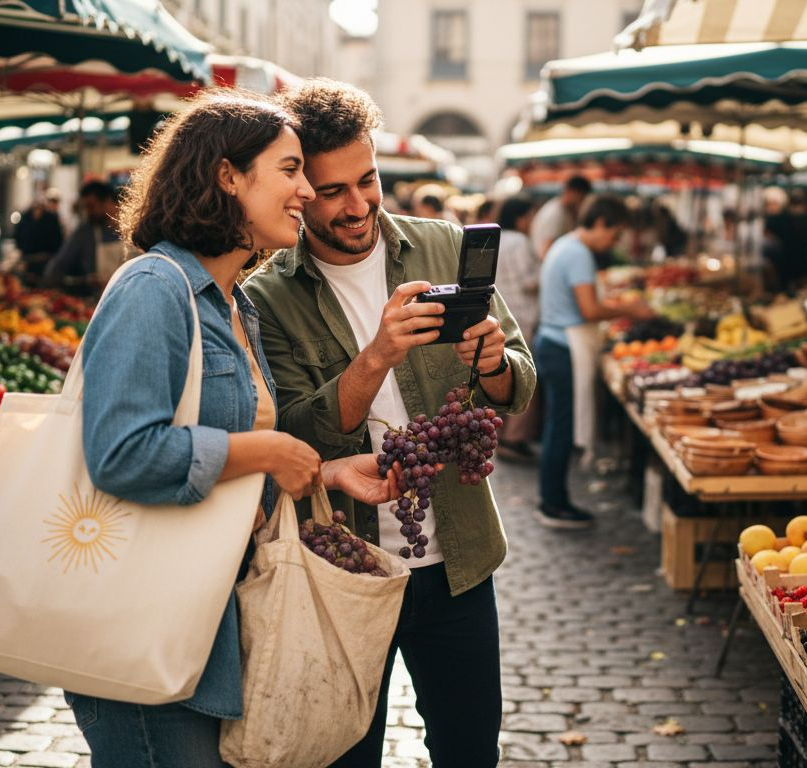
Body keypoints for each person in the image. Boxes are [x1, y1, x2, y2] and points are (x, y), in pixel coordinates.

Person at [68, 89, 399, 767]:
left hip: (207, 621)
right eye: (290, 170)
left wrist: (321, 470)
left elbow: (230, 458)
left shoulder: (232, 305)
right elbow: (121, 454)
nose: (306, 191)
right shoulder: (153, 288)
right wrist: (266, 448)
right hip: (146, 626)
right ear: (227, 176)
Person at [243, 78, 536, 767]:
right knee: (346, 753)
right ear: (299, 191)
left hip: (459, 563)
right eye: (333, 190)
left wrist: (493, 361)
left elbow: (517, 384)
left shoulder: (444, 248)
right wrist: (376, 354)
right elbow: (295, 433)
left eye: (367, 180)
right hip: (345, 567)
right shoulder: (268, 295)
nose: (358, 204)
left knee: (470, 751)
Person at [534, 195, 653, 529]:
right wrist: (630, 309)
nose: (613, 243)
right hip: (563, 346)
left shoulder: (565, 245)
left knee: (557, 424)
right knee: (560, 427)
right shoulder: (578, 253)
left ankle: (553, 498)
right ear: (600, 222)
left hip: (555, 342)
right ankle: (553, 504)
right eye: (615, 235)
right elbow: (589, 310)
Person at [493, 195, 542, 459]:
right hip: (521, 316)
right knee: (524, 376)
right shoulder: (521, 242)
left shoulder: (496, 237)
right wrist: (544, 271)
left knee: (500, 373)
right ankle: (514, 438)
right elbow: (528, 281)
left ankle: (500, 434)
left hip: (499, 313)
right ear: (521, 217)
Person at [43, 180, 124, 294]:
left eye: (91, 207)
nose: (88, 212)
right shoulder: (84, 233)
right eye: (86, 207)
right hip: (96, 303)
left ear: (107, 202)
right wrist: (83, 281)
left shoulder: (132, 231)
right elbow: (54, 271)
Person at [530, 174, 591, 260]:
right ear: (573, 192)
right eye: (582, 197)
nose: (582, 201)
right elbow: (545, 252)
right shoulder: (555, 214)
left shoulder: (562, 210)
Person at [14, 189, 66, 282]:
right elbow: (18, 237)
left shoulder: (52, 218)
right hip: (28, 260)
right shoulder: (25, 217)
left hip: (46, 261)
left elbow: (58, 241)